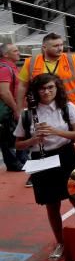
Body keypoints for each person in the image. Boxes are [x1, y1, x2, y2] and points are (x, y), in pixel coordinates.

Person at [15, 74, 75, 261]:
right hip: (42, 159)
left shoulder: (67, 107)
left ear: (57, 88)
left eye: (50, 88)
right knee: (51, 204)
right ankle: (60, 242)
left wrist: (56, 131)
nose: (46, 92)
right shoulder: (27, 114)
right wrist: (33, 139)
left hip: (66, 156)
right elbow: (18, 144)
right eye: (42, 88)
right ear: (36, 91)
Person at [0, 43, 25, 173]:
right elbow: (4, 92)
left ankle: (19, 162)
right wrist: (16, 109)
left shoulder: (11, 68)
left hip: (10, 109)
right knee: (10, 137)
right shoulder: (5, 69)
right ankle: (15, 163)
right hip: (8, 111)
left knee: (14, 135)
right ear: (5, 54)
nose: (18, 52)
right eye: (15, 51)